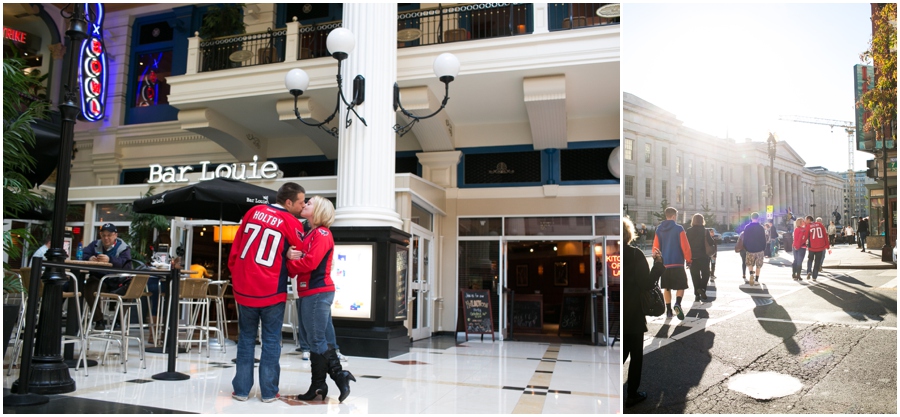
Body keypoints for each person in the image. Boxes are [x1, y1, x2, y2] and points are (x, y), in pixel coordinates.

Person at [229, 182, 307, 403]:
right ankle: (269, 392)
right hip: (272, 290)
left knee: (245, 339)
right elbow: (298, 258)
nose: (303, 206)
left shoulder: (253, 211)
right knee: (271, 340)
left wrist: (237, 275)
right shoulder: (293, 223)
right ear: (289, 202)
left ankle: (242, 390)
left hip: (244, 288)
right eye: (301, 202)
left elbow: (236, 248)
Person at [289, 196, 355, 402]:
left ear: (318, 211)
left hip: (317, 292)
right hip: (312, 292)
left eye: (309, 203)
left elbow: (309, 262)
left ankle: (329, 380)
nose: (305, 204)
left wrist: (289, 265)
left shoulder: (322, 233)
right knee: (318, 340)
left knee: (315, 340)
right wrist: (292, 255)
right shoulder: (312, 233)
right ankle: (326, 381)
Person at [622, 217, 660, 407]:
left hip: (617, 312)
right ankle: (632, 393)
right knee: (636, 354)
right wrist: (658, 266)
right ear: (629, 234)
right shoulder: (636, 255)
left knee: (620, 352)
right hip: (634, 311)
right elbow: (646, 284)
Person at [81, 223, 133, 329]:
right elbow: (84, 254)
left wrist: (110, 259)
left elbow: (127, 265)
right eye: (103, 235)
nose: (106, 238)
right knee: (89, 287)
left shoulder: (123, 248)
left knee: (131, 289)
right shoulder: (95, 244)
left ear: (115, 235)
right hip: (100, 280)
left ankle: (118, 321)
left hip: (118, 281)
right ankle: (98, 320)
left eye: (109, 235)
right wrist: (89, 258)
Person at [652, 207, 691, 320]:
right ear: (673, 216)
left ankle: (668, 311)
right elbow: (685, 246)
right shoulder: (679, 228)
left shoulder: (659, 229)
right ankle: (677, 303)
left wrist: (657, 261)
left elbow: (655, 248)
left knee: (667, 288)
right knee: (681, 285)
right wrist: (689, 260)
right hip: (677, 263)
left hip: (664, 264)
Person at [685, 214, 714, 302]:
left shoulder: (689, 231)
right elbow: (711, 242)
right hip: (704, 257)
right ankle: (702, 288)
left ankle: (697, 295)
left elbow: (686, 244)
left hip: (692, 257)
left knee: (695, 276)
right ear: (702, 220)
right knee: (706, 274)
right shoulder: (705, 231)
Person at [742, 212, 767, 286]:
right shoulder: (761, 227)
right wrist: (763, 248)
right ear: (758, 218)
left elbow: (745, 239)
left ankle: (751, 274)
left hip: (750, 249)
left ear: (751, 218)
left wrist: (746, 248)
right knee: (758, 265)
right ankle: (756, 279)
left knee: (750, 264)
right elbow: (764, 239)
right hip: (759, 250)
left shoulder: (747, 227)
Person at [807, 217, 831, 282]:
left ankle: (809, 271)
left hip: (812, 247)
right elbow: (825, 236)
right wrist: (827, 245)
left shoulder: (810, 226)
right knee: (817, 262)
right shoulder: (821, 226)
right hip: (820, 247)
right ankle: (814, 276)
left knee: (810, 259)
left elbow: (806, 235)